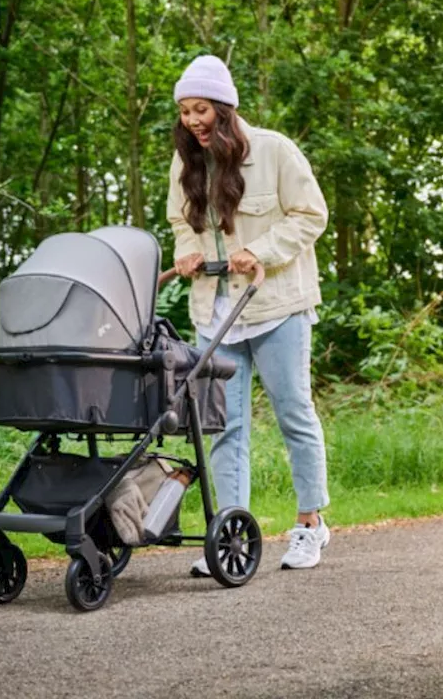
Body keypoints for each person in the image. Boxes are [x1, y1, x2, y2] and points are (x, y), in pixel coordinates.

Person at [166, 55, 332, 572]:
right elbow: (180, 221)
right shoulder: (185, 161)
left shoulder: (276, 151)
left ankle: (310, 524)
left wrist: (262, 250)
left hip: (277, 305)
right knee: (225, 426)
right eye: (185, 111)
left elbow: (312, 215)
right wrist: (187, 253)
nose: (193, 121)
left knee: (293, 412)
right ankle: (230, 534)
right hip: (216, 311)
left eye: (200, 110)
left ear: (224, 107)